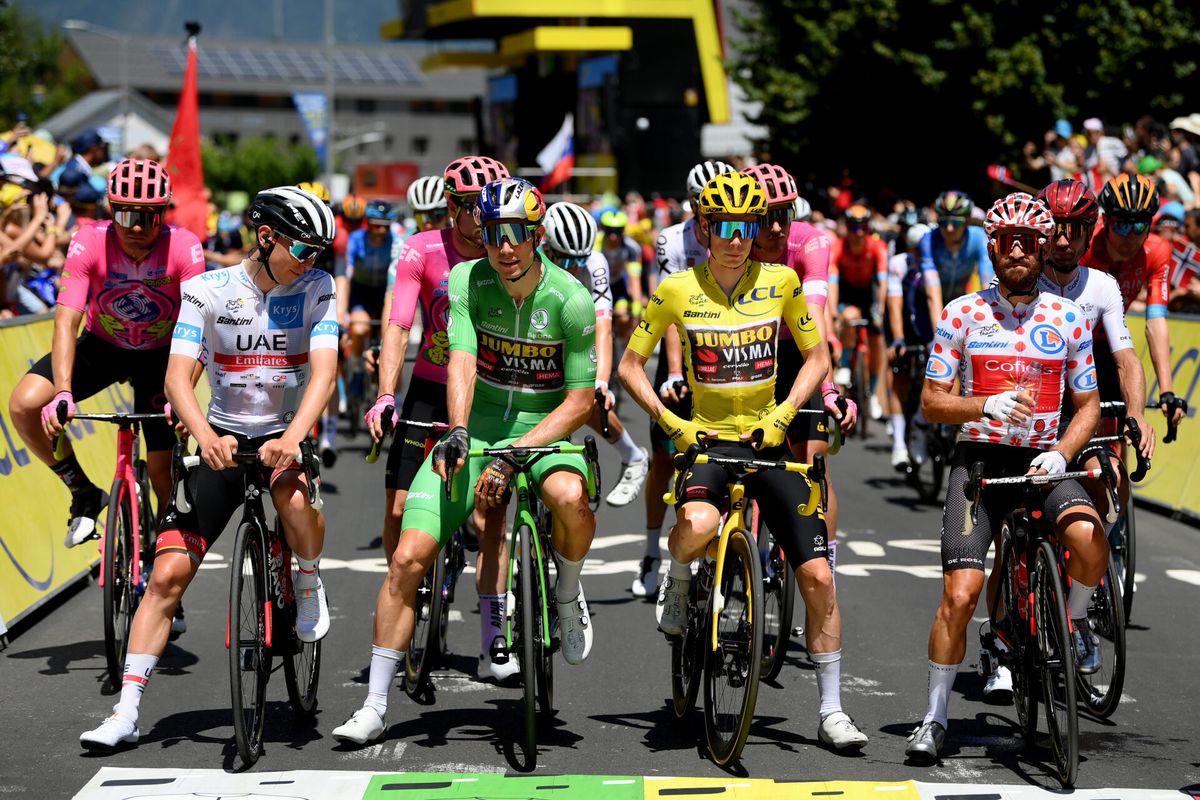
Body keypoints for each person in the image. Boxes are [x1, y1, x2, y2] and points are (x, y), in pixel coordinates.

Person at [334, 177, 599, 746]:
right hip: (476, 431)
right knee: (407, 558)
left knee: (574, 501)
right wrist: (456, 431)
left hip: (545, 433)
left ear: (537, 235)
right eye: (495, 233)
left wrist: (518, 450)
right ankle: (376, 702)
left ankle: (569, 588)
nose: (504, 247)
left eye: (517, 235)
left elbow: (580, 401)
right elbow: (461, 360)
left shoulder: (571, 298)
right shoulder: (466, 279)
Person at [78, 185, 339, 750]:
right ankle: (125, 712)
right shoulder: (206, 290)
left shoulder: (318, 286)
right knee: (168, 575)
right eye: (304, 248)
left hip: (284, 434)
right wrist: (204, 435)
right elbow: (177, 377)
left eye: (320, 251)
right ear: (266, 237)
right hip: (221, 434)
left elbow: (324, 372)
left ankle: (308, 577)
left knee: (294, 502)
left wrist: (294, 437)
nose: (311, 260)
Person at [618, 171, 868, 751]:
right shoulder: (678, 288)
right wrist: (671, 423)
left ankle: (831, 710)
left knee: (817, 574)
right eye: (725, 226)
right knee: (697, 527)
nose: (737, 238)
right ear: (705, 228)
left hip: (767, 442)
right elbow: (631, 366)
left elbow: (817, 356)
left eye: (748, 227)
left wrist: (784, 414)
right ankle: (678, 579)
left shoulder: (782, 282)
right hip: (704, 442)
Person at [905, 193, 1105, 763]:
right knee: (961, 595)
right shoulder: (962, 313)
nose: (1018, 250)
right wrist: (982, 406)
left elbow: (1086, 405)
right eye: (1007, 241)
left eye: (1029, 241)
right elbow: (930, 403)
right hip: (981, 463)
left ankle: (1069, 620)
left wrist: (1064, 453)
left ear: (1043, 248)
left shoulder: (1069, 318)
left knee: (1091, 543)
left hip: (1043, 459)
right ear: (991, 246)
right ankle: (935, 717)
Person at [363, 155, 515, 681]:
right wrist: (386, 393)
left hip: (493, 389)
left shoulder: (513, 248)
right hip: (431, 384)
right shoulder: (422, 249)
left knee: (490, 512)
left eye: (490, 205)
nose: (485, 216)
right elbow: (398, 323)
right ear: (451, 208)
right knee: (398, 507)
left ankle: (494, 637)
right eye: (473, 207)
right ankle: (404, 594)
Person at [8, 160, 202, 552]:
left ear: (163, 215)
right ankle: (83, 492)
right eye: (127, 214)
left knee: (163, 474)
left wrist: (185, 393)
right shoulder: (89, 240)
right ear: (111, 210)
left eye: (149, 217)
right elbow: (67, 321)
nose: (136, 227)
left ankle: (165, 566)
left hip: (161, 357)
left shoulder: (184, 245)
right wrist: (63, 391)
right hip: (102, 348)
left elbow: (199, 326)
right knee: (23, 404)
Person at [636, 160, 736, 598]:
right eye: (699, 203)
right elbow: (671, 314)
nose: (706, 213)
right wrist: (674, 372)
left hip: (725, 354)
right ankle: (652, 551)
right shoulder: (672, 240)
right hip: (682, 352)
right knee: (663, 457)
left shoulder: (735, 238)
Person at [742, 162, 855, 540]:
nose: (777, 227)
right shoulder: (734, 247)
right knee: (738, 463)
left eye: (784, 215)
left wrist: (827, 389)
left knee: (814, 467)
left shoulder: (810, 240)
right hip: (747, 355)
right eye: (767, 217)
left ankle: (826, 573)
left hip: (799, 355)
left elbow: (814, 318)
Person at [543, 201, 650, 507]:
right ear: (546, 247)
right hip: (549, 325)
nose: (574, 267)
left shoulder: (596, 262)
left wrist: (601, 381)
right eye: (565, 260)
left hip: (583, 321)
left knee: (588, 399)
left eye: (580, 259)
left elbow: (602, 327)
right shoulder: (534, 259)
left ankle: (633, 456)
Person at [1080, 173, 1187, 431]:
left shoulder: (1158, 251)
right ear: (1105, 221)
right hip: (1073, 346)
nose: (1131, 236)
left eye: (1139, 226)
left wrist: (1167, 390)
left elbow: (1156, 321)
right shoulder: (1084, 246)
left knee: (1122, 435)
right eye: (1123, 226)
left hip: (1110, 346)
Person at [884, 223, 941, 468]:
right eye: (915, 250)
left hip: (929, 323)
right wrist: (897, 338)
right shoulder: (899, 263)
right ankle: (898, 444)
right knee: (901, 378)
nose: (919, 254)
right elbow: (895, 304)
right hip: (903, 323)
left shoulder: (937, 260)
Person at [829, 204, 888, 420]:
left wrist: (880, 309)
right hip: (847, 292)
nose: (859, 233)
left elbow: (882, 283)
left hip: (868, 293)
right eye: (854, 227)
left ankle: (872, 393)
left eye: (863, 227)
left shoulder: (877, 246)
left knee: (876, 337)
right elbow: (833, 283)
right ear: (847, 228)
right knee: (849, 317)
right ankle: (844, 364)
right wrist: (834, 312)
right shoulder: (838, 246)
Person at [918, 190, 992, 304]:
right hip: (926, 301)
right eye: (943, 222)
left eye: (956, 222)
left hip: (956, 301)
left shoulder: (979, 237)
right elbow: (932, 294)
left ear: (967, 222)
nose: (949, 228)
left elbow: (987, 285)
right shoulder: (929, 240)